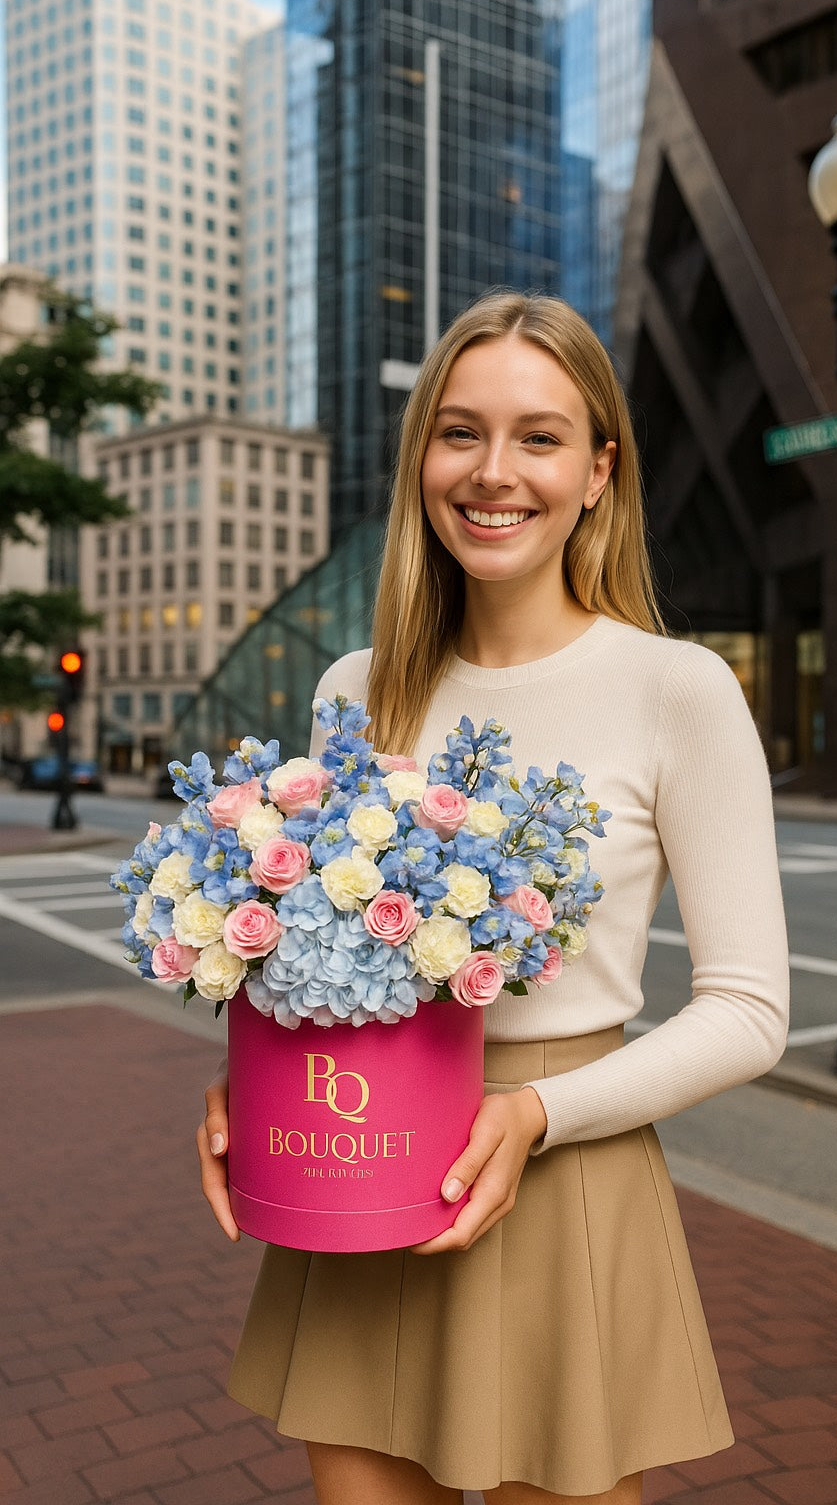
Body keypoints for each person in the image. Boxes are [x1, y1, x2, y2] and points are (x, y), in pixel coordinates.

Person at [198, 291, 789, 1505]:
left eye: (538, 436)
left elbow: (746, 1008)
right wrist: (256, 1080)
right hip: (357, 1161)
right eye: (459, 431)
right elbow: (306, 955)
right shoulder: (357, 686)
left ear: (597, 471)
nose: (493, 471)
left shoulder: (678, 689)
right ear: (421, 455)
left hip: (564, 1178)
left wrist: (534, 1116)